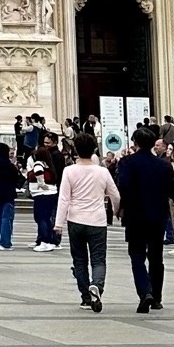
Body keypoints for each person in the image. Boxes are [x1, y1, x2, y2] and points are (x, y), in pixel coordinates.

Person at [114, 124, 174, 313]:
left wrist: (120, 209)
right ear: (154, 143)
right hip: (158, 216)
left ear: (134, 142)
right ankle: (157, 298)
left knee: (136, 256)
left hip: (135, 216)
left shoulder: (127, 163)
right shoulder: (163, 164)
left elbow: (124, 188)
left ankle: (145, 292)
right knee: (156, 257)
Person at [53, 130, 121, 311]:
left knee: (80, 260)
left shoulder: (69, 171)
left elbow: (64, 198)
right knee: (98, 259)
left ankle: (85, 297)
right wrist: (116, 211)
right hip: (97, 220)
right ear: (94, 150)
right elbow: (114, 194)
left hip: (75, 219)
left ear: (75, 149)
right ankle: (96, 285)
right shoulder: (102, 172)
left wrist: (59, 223)